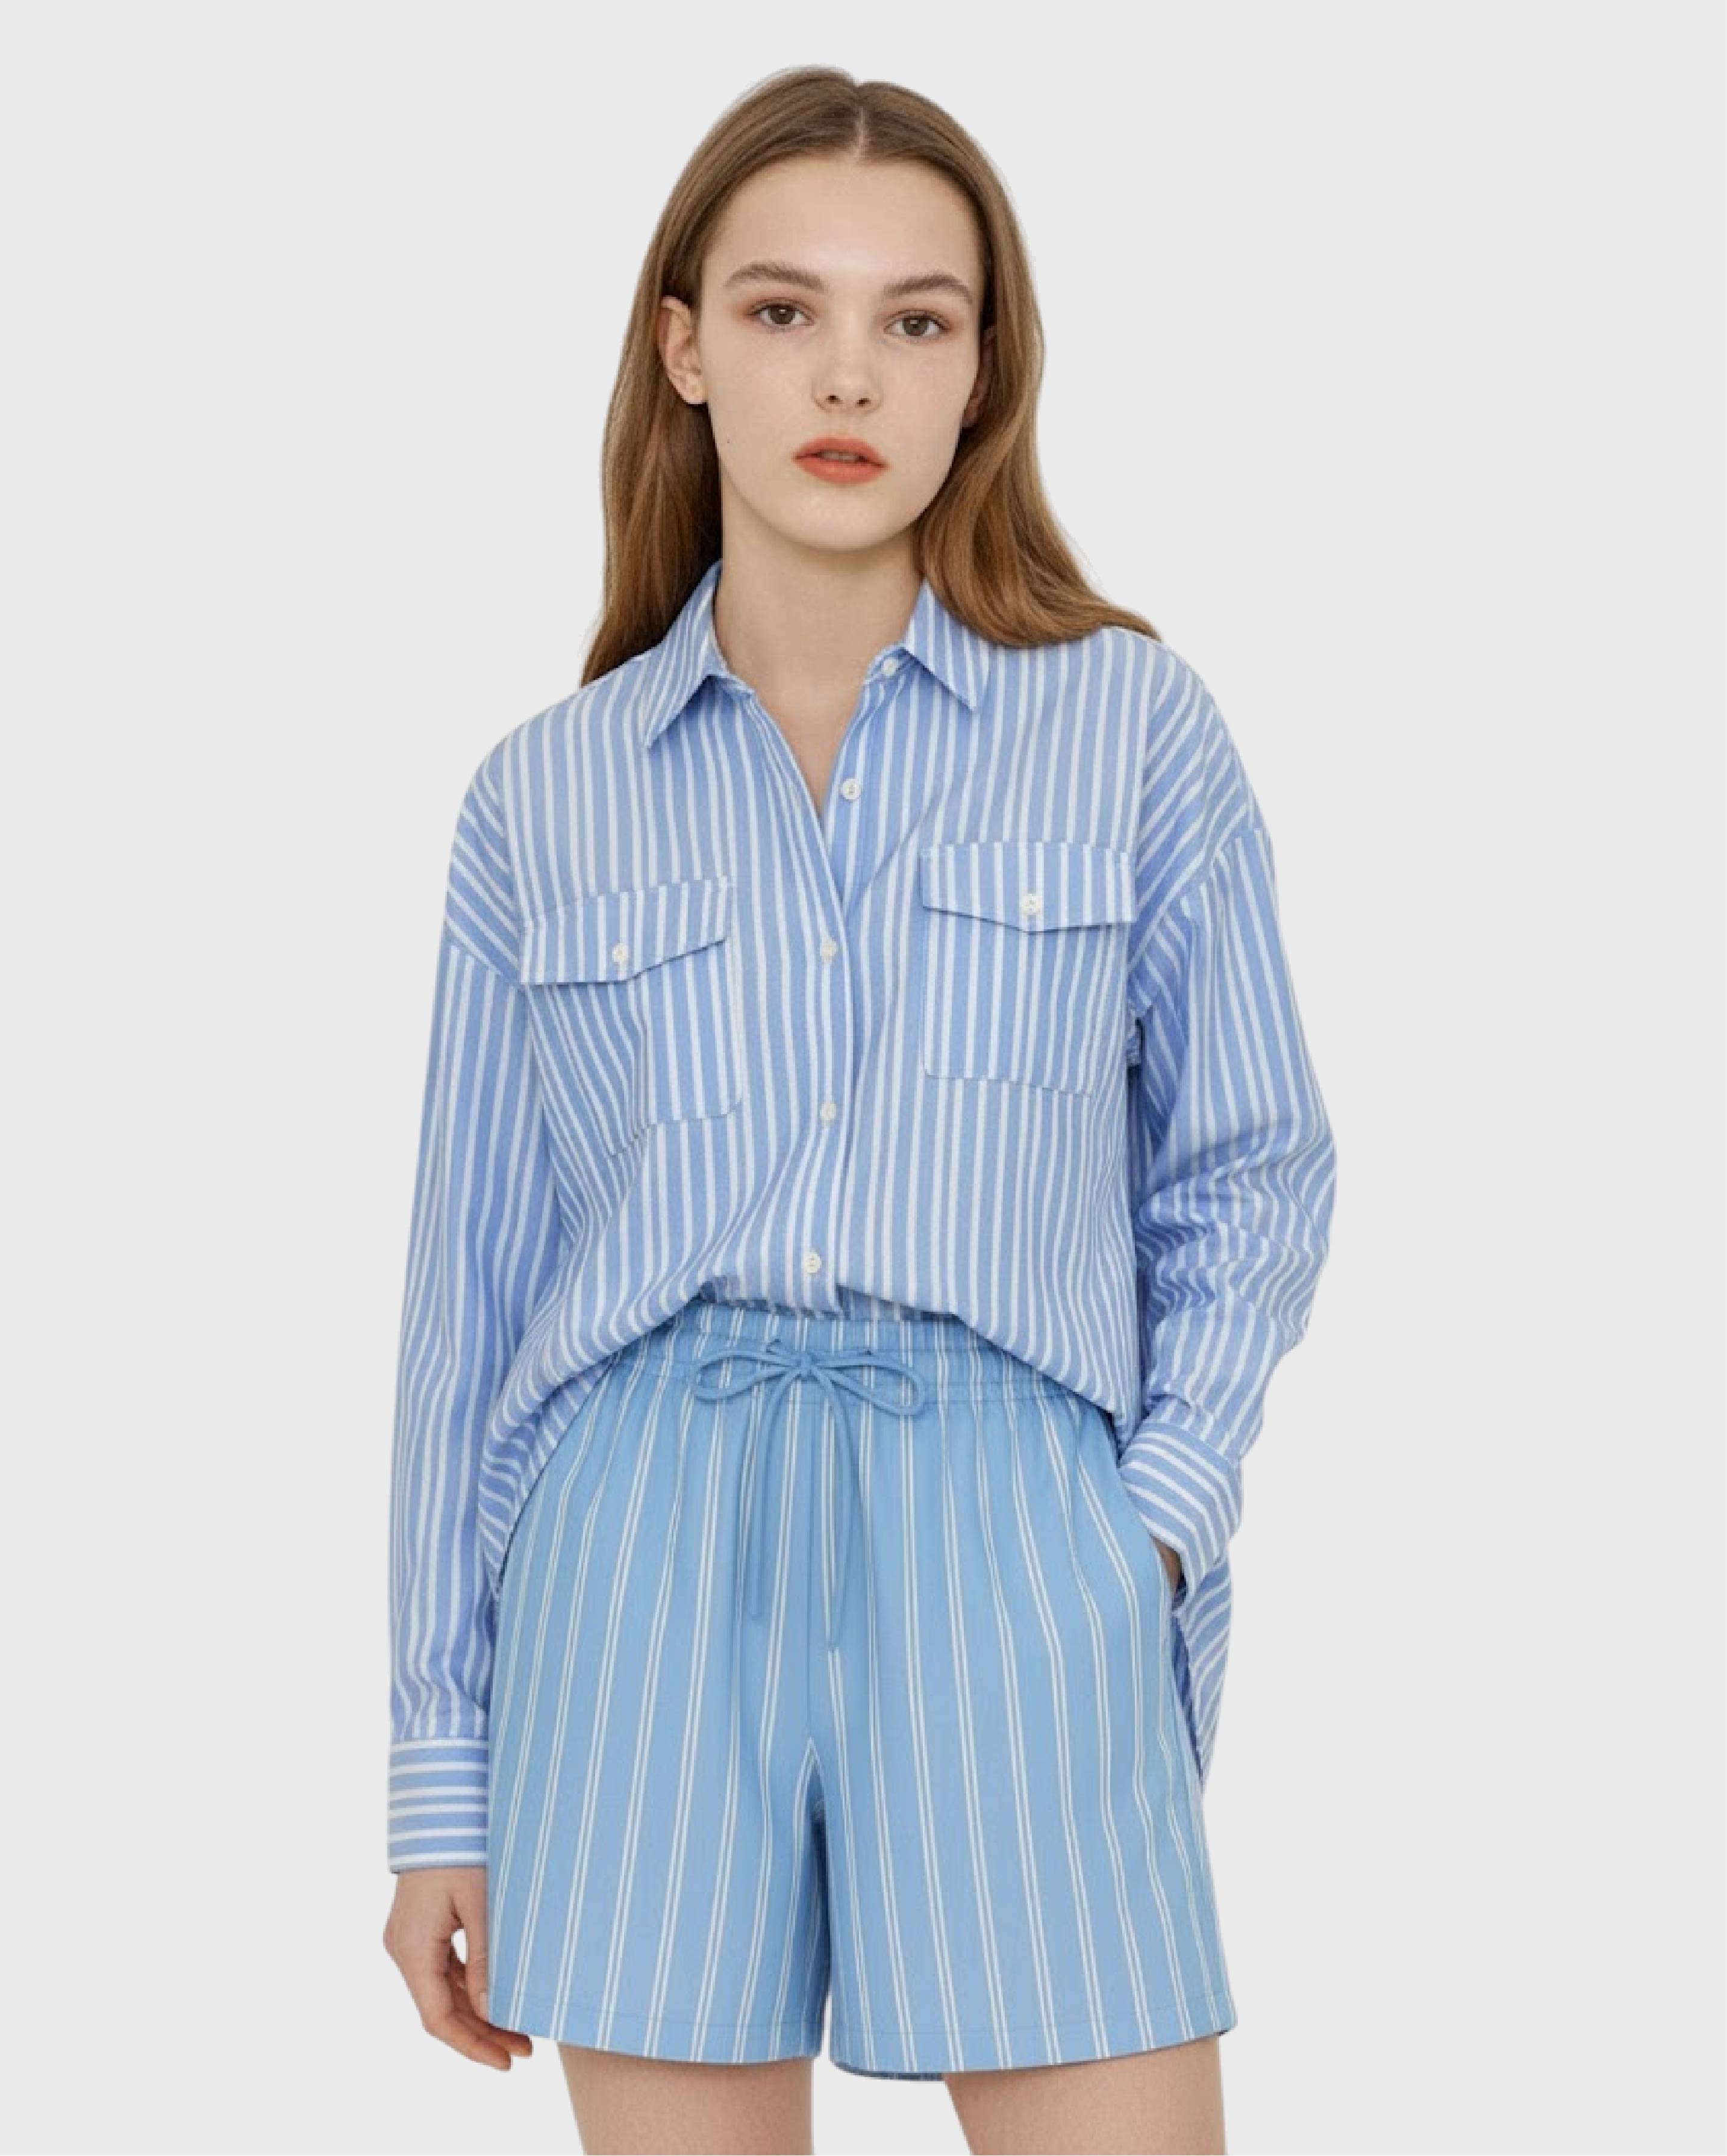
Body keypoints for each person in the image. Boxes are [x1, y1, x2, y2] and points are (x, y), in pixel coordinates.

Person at [381, 64, 1337, 2156]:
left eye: (915, 318)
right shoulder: (539, 801)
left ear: (982, 368)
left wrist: (1142, 1527)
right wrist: (440, 1772)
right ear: (683, 346)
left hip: (1014, 1523)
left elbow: (1250, 1167)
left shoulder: (1130, 728)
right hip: (636, 1547)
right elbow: (469, 1309)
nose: (846, 375)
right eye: (781, 308)